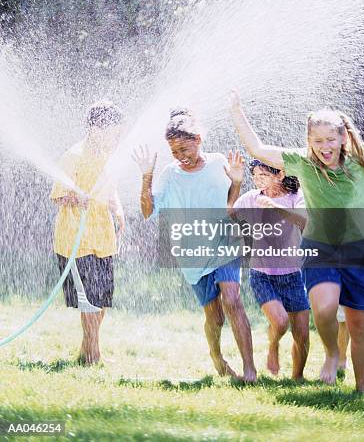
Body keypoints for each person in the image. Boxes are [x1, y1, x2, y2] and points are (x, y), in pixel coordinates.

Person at [230, 80, 364, 393]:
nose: (324, 146)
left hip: (358, 250)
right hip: (319, 247)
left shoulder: (362, 157)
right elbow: (258, 149)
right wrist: (236, 111)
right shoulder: (303, 161)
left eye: (330, 139)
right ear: (309, 141)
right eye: (317, 140)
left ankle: (362, 389)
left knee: (359, 323)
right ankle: (331, 353)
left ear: (343, 138)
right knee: (325, 308)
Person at [133, 108, 257, 382]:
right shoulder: (169, 174)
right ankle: (217, 356)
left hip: (225, 245)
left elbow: (230, 209)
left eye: (185, 149)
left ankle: (250, 370)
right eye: (175, 152)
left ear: (199, 139)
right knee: (215, 318)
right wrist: (147, 176)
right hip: (191, 254)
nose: (181, 157)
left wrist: (236, 182)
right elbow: (146, 212)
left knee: (233, 301)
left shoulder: (217, 164)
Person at [51, 101, 125, 365]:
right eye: (113, 132)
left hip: (103, 238)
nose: (117, 137)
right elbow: (58, 196)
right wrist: (74, 197)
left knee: (102, 299)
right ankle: (93, 354)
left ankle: (86, 349)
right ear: (96, 129)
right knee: (90, 300)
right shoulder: (73, 156)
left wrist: (117, 207)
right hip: (76, 240)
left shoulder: (107, 155)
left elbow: (109, 186)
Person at [233, 159, 310, 380]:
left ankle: (297, 378)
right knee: (280, 321)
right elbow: (229, 213)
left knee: (302, 334)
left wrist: (274, 206)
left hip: (293, 275)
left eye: (263, 175)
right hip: (261, 274)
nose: (258, 181)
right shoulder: (251, 198)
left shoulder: (296, 197)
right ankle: (273, 345)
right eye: (255, 176)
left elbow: (303, 221)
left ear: (280, 174)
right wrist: (237, 182)